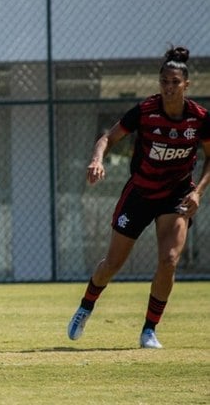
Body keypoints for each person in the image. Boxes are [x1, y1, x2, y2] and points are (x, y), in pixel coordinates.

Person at [67, 45, 210, 349]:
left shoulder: (199, 118)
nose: (169, 88)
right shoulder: (146, 111)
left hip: (177, 195)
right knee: (113, 263)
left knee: (169, 260)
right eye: (164, 82)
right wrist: (97, 160)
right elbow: (108, 137)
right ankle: (86, 306)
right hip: (140, 193)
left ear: (186, 85)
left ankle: (149, 330)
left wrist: (198, 193)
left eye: (175, 82)